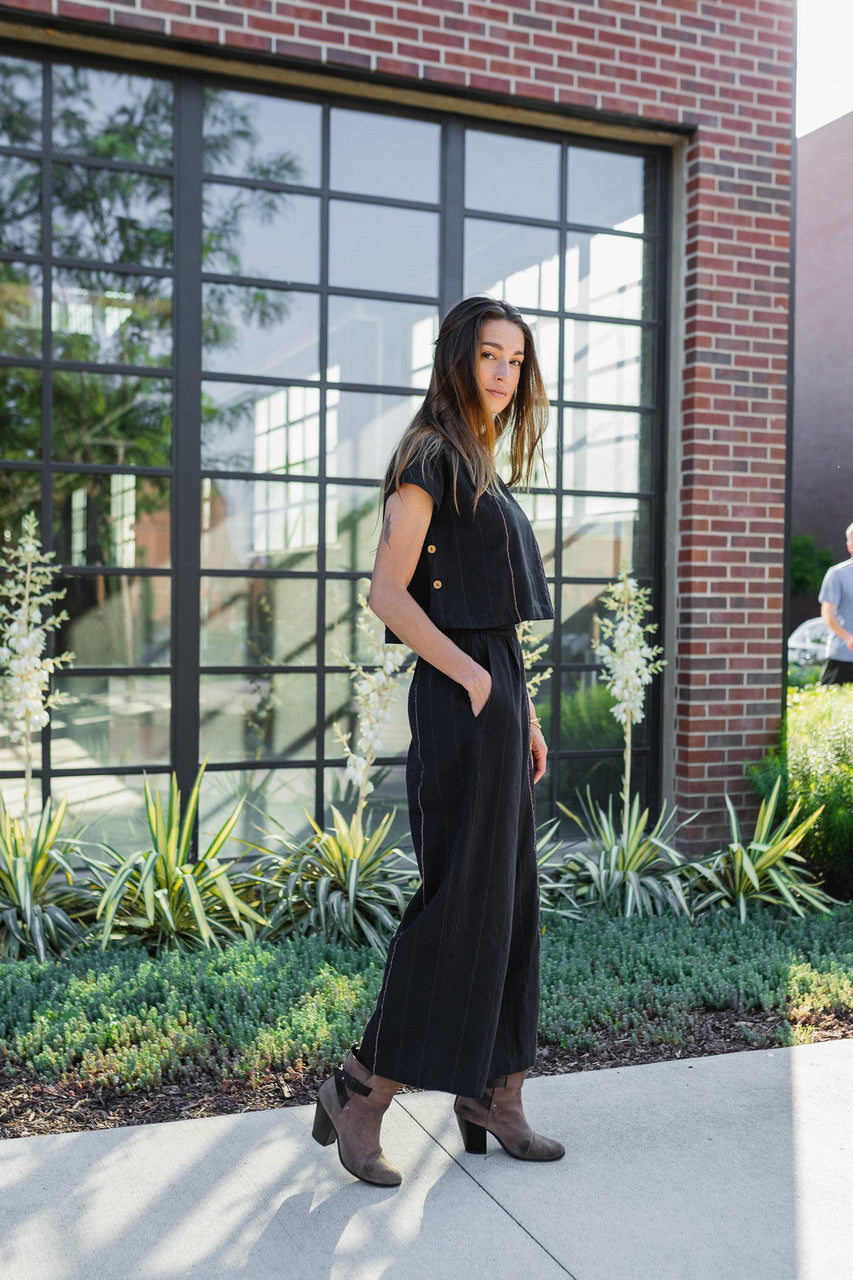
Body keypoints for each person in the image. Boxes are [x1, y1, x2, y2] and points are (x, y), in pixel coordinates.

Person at [312, 296, 565, 1187]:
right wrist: (472, 680)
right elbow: (387, 593)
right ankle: (359, 1091)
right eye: (489, 356)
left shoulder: (481, 462)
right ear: (458, 359)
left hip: (494, 692)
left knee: (508, 902)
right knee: (460, 904)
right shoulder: (426, 457)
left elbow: (489, 609)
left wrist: (520, 708)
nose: (503, 373)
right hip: (460, 697)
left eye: (515, 361)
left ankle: (496, 1094)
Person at [819, 522, 853, 685]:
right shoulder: (837, 574)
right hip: (842, 656)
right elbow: (827, 612)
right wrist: (848, 637)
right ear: (850, 546)